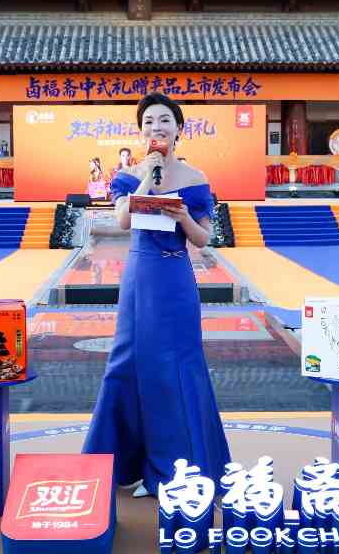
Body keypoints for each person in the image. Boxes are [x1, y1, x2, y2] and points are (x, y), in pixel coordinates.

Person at [83, 92, 230, 498]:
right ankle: (119, 463)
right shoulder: (129, 175)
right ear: (140, 131)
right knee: (129, 360)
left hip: (176, 275)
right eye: (148, 122)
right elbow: (122, 219)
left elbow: (203, 239)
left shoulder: (196, 179)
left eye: (164, 120)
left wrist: (183, 217)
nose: (156, 127)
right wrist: (149, 175)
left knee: (177, 365)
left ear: (179, 129)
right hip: (141, 276)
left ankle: (175, 467)